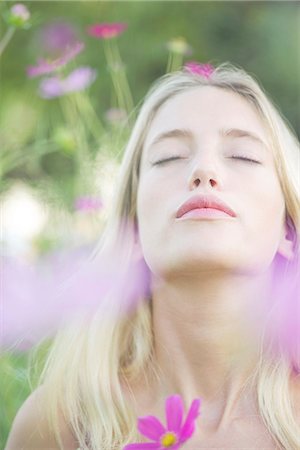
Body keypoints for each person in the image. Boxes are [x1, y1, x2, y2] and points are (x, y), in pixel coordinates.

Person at [5, 62, 300, 450]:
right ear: (134, 230)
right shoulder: (60, 424)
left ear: (288, 231)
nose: (204, 170)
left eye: (243, 155)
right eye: (169, 156)